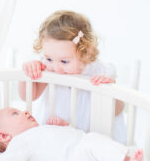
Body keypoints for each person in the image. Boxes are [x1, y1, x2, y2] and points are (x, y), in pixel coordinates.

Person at [18, 10, 126, 144]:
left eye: (64, 61)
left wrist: (109, 90)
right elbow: (27, 96)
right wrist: (28, 74)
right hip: (53, 136)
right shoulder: (47, 68)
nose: (56, 68)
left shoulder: (100, 71)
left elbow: (118, 111)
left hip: (88, 139)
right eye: (49, 58)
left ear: (86, 52)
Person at [0, 108, 144, 161]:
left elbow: (69, 136)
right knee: (92, 141)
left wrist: (63, 125)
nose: (25, 111)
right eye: (15, 114)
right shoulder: (20, 141)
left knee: (94, 142)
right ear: (4, 136)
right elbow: (10, 158)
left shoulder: (40, 131)